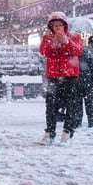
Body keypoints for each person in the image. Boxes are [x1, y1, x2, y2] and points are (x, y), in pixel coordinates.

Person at [39, 12, 83, 145]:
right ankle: (49, 132)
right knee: (51, 106)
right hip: (54, 76)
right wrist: (53, 44)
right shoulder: (47, 38)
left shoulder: (75, 37)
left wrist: (66, 41)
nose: (57, 28)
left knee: (71, 105)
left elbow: (78, 51)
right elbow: (44, 52)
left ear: (65, 25)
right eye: (54, 25)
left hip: (70, 76)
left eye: (60, 25)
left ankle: (67, 132)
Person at [74, 41, 93, 128]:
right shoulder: (87, 54)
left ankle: (77, 121)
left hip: (76, 82)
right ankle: (91, 119)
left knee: (77, 103)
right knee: (90, 102)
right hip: (88, 81)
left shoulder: (73, 54)